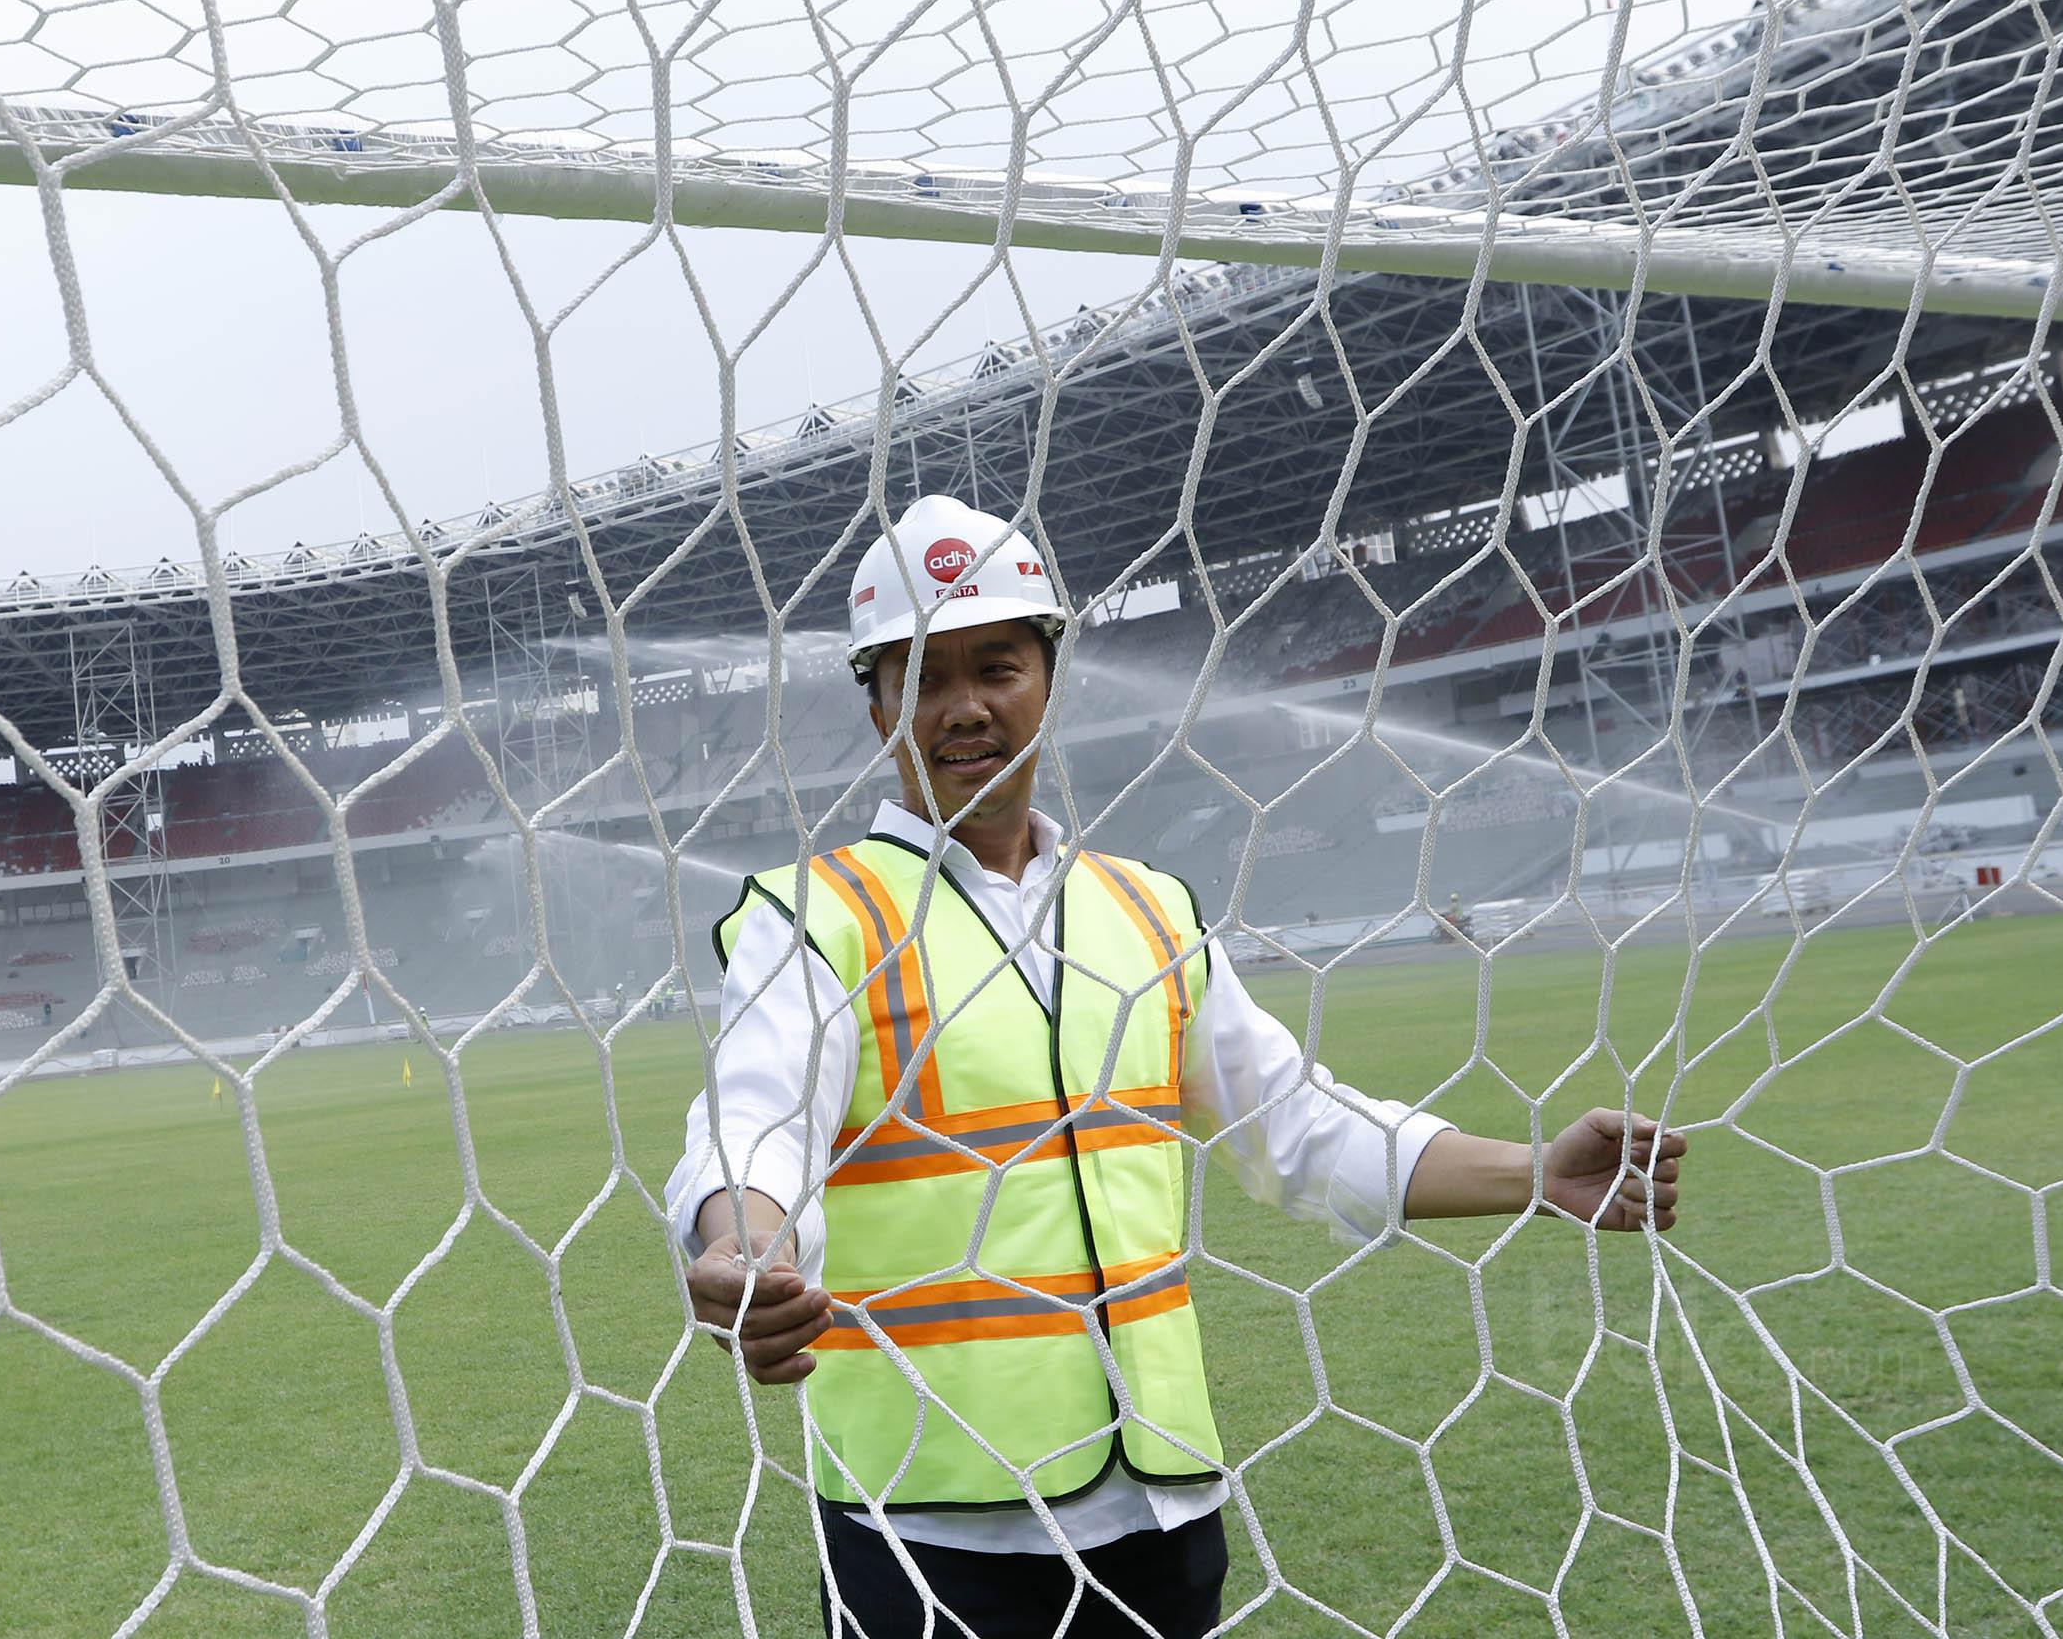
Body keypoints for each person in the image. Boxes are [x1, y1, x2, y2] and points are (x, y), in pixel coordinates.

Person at [668, 496, 1690, 1639]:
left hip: (1161, 1509)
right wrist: (743, 1240)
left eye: (996, 666)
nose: (961, 706)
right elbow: (753, 1121)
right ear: (874, 707)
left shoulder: (1147, 911)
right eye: (920, 675)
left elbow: (1300, 1127)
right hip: (928, 1524)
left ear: (1048, 678)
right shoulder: (817, 918)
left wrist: (1536, 1170)